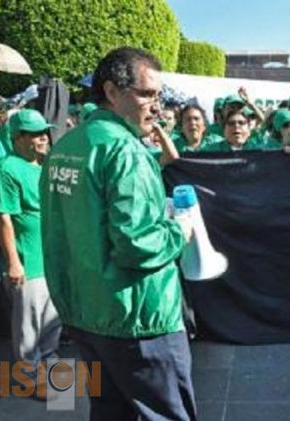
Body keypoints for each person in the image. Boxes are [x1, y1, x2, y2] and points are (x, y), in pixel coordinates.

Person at [40, 47, 196, 420]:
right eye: (146, 94)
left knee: (110, 411)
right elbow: (137, 244)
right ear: (111, 91)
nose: (156, 105)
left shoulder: (67, 146)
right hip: (138, 319)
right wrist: (179, 230)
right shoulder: (125, 151)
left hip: (84, 311)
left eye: (158, 95)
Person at [0, 110, 61, 394]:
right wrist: (14, 262)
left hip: (53, 261)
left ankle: (54, 375)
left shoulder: (45, 165)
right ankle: (30, 379)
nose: (43, 137)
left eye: (44, 131)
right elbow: (3, 218)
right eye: (34, 133)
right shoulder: (7, 168)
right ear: (17, 138)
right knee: (28, 330)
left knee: (52, 324)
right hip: (29, 263)